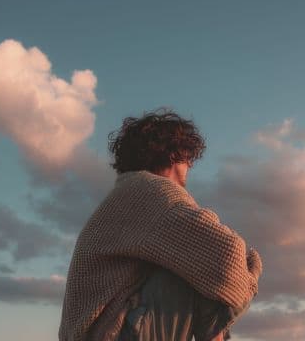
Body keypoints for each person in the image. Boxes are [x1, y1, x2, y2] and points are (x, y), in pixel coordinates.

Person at [58, 108, 262, 341]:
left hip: (101, 332)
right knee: (202, 260)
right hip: (113, 333)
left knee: (194, 258)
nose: (190, 167)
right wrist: (252, 277)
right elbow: (227, 253)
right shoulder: (149, 189)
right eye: (188, 158)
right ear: (175, 156)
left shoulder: (128, 191)